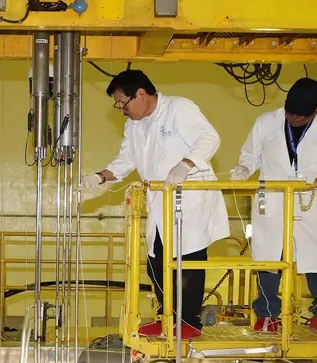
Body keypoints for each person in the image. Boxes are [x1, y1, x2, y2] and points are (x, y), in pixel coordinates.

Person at [81, 70, 229, 339]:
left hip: (190, 200)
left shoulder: (179, 108)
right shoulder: (135, 125)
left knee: (187, 262)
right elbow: (127, 159)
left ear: (141, 94)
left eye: (123, 103)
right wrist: (100, 176)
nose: (122, 110)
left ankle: (189, 323)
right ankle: (167, 319)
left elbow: (209, 138)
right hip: (160, 202)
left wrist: (185, 165)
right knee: (156, 262)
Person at [230, 78, 317, 333]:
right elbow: (250, 155)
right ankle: (267, 315)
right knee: (269, 261)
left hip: (315, 206)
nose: (295, 119)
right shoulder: (266, 122)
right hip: (274, 204)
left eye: (302, 116)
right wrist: (244, 168)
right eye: (290, 113)